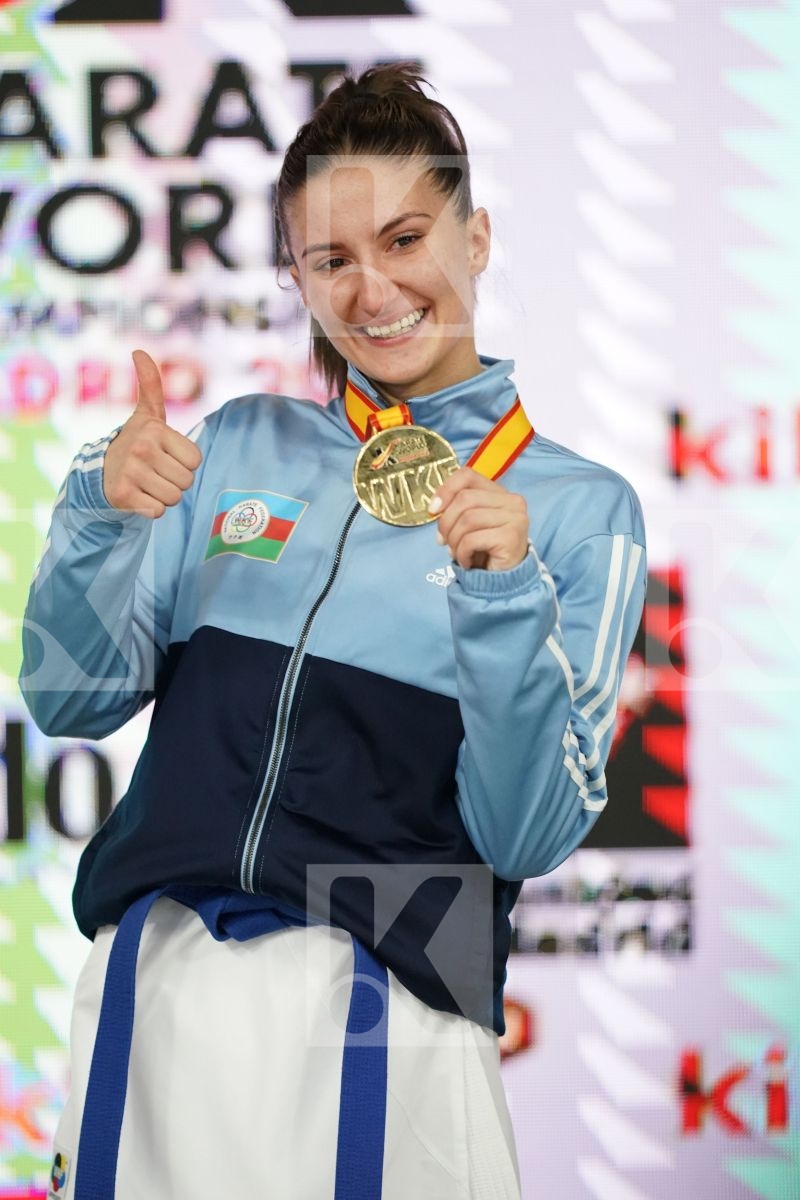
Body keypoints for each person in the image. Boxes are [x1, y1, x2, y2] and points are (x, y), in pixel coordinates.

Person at [21, 64, 646, 1200]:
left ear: (477, 235)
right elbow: (70, 701)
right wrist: (97, 515)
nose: (373, 290)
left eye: (405, 238)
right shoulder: (237, 446)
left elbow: (525, 836)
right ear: (299, 279)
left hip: (393, 1005)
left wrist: (502, 599)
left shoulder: (575, 509)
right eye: (331, 260)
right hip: (161, 985)